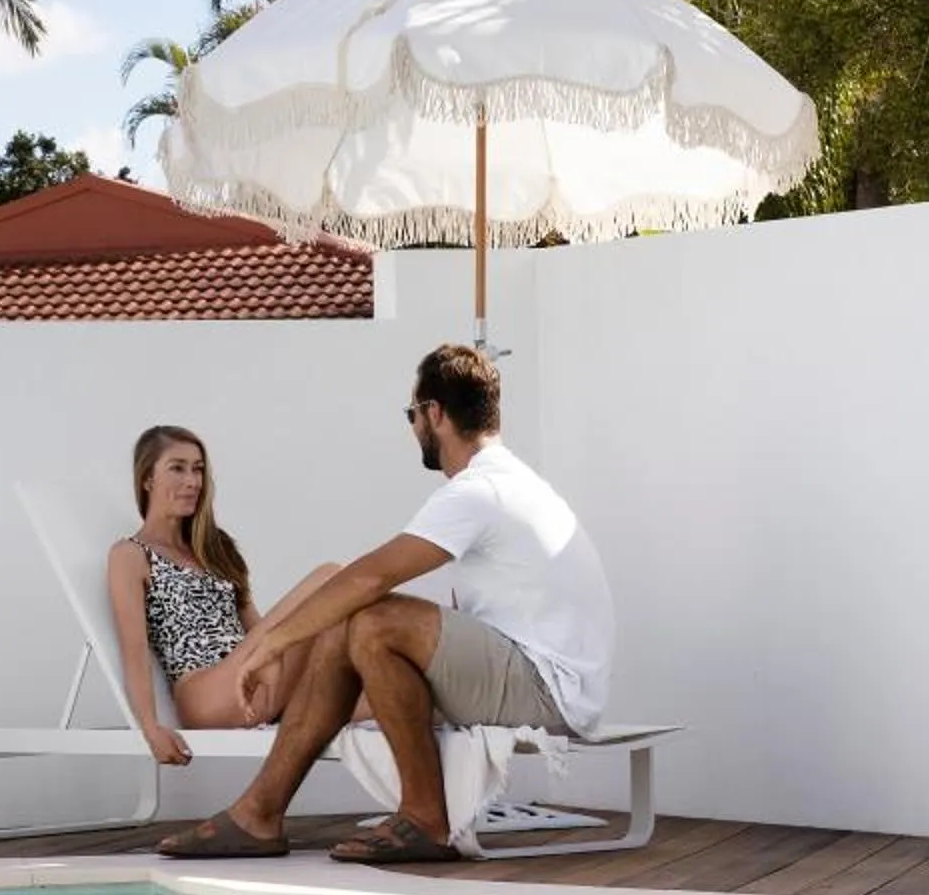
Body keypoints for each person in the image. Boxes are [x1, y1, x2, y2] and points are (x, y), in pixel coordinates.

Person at [158, 342, 614, 867]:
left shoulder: (478, 491)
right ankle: (259, 813)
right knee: (348, 627)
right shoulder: (508, 481)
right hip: (540, 674)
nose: (413, 426)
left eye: (413, 414)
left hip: (545, 686)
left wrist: (270, 645)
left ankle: (424, 818)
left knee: (371, 618)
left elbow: (372, 575)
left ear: (434, 414)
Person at [108, 425, 339, 763]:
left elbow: (255, 625)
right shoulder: (130, 554)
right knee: (332, 578)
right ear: (147, 480)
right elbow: (134, 650)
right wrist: (149, 727)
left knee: (391, 688)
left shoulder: (216, 547)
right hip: (205, 693)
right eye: (178, 468)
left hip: (252, 678)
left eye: (198, 469)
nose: (193, 481)